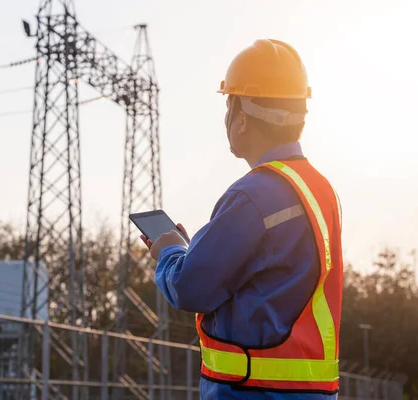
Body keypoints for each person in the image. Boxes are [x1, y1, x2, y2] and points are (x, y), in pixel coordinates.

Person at [140, 39, 343, 399]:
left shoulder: (252, 195)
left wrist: (170, 252)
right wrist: (194, 251)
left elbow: (192, 288)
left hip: (252, 392)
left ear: (242, 118)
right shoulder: (320, 188)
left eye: (228, 103)